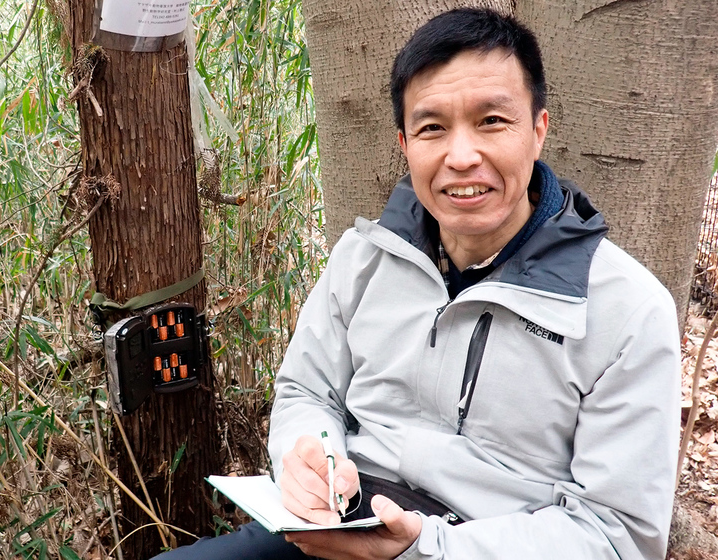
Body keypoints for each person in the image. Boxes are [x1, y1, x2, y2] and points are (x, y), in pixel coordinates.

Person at [156, 7, 680, 560]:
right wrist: (315, 458)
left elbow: (618, 536)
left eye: (492, 122)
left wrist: (426, 548)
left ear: (538, 130)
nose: (461, 157)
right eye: (432, 128)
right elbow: (307, 393)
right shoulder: (365, 258)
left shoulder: (626, 309)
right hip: (343, 525)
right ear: (405, 145)